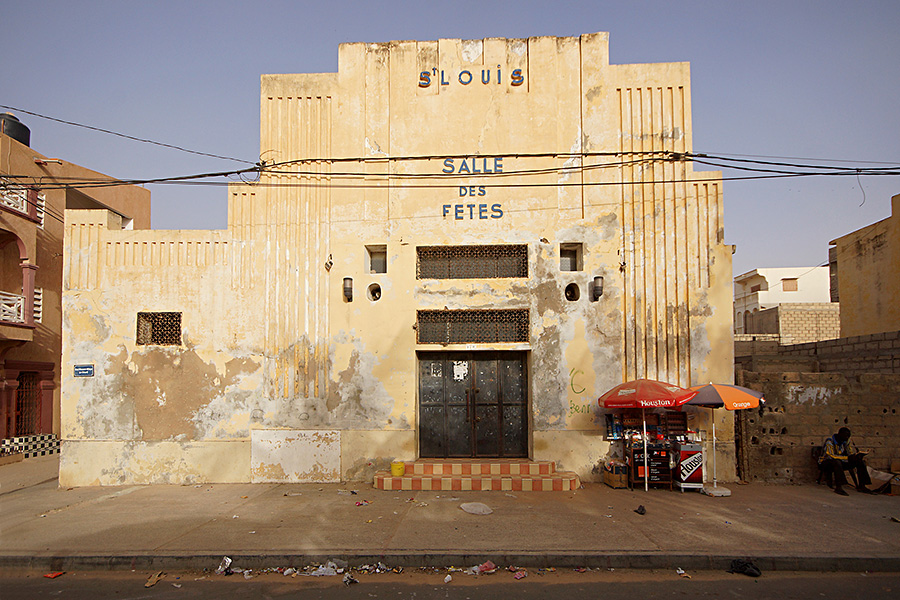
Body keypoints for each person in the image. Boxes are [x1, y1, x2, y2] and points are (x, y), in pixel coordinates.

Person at [818, 427, 872, 495]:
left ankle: (862, 486)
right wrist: (847, 458)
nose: (847, 438)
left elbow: (849, 452)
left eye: (848, 436)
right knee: (837, 462)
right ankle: (839, 487)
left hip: (840, 461)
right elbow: (830, 456)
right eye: (846, 436)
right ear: (840, 434)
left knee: (860, 462)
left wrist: (855, 457)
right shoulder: (830, 442)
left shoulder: (845, 442)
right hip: (826, 463)